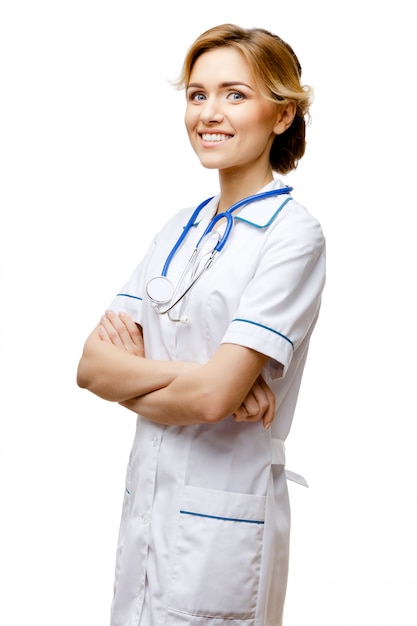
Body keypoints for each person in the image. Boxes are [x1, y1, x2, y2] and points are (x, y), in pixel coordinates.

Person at [77, 23, 326, 626]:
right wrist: (204, 379)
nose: (209, 113)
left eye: (235, 94)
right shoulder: (176, 228)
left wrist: (185, 385)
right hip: (148, 511)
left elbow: (215, 398)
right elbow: (89, 366)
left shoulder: (294, 234)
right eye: (197, 94)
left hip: (224, 528)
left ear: (283, 114)